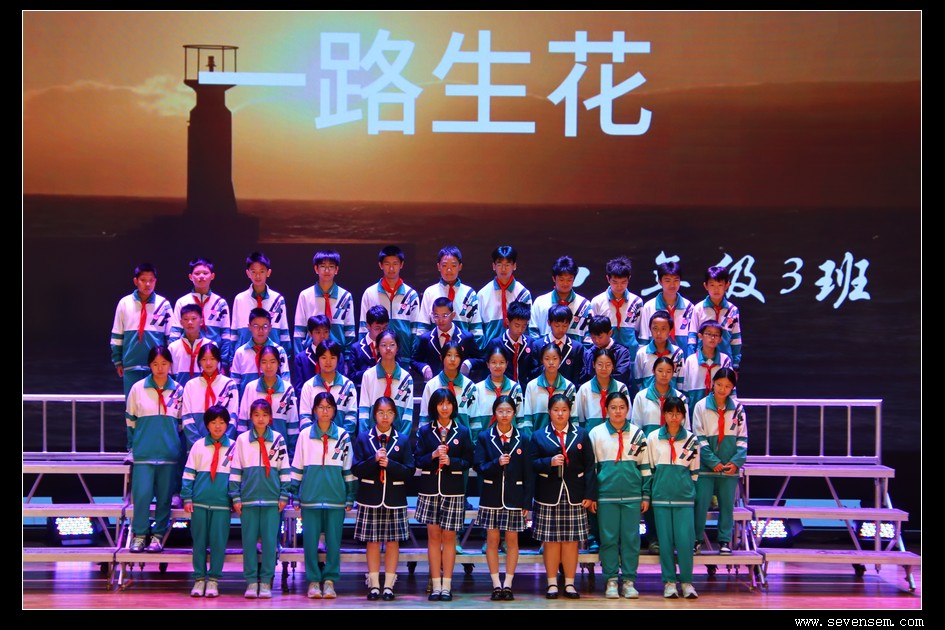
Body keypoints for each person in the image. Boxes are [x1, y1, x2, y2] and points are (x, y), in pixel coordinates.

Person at [528, 394, 595, 600]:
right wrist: (549, 462)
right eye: (556, 410)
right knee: (550, 541)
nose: (560, 414)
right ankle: (551, 584)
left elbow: (590, 466)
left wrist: (589, 494)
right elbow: (531, 464)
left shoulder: (581, 434)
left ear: (569, 412)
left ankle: (569, 583)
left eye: (564, 410)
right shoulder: (539, 435)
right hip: (548, 494)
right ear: (549, 412)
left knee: (571, 541)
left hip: (574, 494)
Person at [290, 392, 356, 600]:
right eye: (320, 407)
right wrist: (295, 495)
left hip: (336, 498)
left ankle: (329, 581)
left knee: (334, 543)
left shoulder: (343, 436)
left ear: (334, 410)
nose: (324, 411)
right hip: (310, 498)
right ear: (314, 410)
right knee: (309, 542)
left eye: (328, 407)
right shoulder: (304, 435)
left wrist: (350, 496)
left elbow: (348, 469)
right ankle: (313, 581)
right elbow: (297, 467)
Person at [414, 387, 475, 602]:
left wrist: (452, 461)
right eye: (441, 404)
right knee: (433, 537)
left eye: (448, 403)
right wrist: (432, 455)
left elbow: (469, 461)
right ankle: (435, 584)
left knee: (449, 537)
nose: (445, 407)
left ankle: (447, 585)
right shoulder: (425, 431)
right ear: (435, 407)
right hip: (430, 490)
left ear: (453, 406)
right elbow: (417, 460)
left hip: (453, 491)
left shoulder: (463, 431)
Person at [352, 397, 415, 601]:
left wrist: (390, 465)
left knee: (392, 542)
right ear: (374, 415)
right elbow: (356, 469)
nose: (385, 417)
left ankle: (388, 584)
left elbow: (409, 471)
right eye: (380, 412)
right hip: (369, 497)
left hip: (394, 498)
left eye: (389, 412)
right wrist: (374, 460)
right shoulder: (364, 438)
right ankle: (373, 584)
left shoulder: (402, 440)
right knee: (372, 541)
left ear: (395, 415)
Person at [588, 391, 651, 599]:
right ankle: (611, 580)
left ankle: (630, 581)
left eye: (622, 407)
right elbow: (591, 469)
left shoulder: (638, 434)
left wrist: (645, 494)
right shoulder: (596, 433)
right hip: (606, 496)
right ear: (606, 409)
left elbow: (645, 467)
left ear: (628, 410)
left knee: (631, 539)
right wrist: (593, 496)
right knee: (608, 539)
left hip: (632, 496)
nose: (617, 411)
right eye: (613, 407)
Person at [229, 399, 290, 599]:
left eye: (264, 415)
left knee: (270, 543)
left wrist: (284, 495)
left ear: (270, 417)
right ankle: (250, 581)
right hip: (248, 500)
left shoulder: (278, 439)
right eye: (256, 415)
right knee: (248, 543)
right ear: (251, 417)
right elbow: (236, 470)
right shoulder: (242, 440)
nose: (260, 419)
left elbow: (284, 469)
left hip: (272, 501)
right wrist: (235, 496)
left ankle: (265, 581)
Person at [473, 395, 533, 601]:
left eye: (508, 411)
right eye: (500, 411)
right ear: (494, 413)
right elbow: (479, 467)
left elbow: (529, 473)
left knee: (512, 540)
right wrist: (496, 463)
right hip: (491, 496)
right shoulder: (484, 437)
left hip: (515, 496)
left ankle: (508, 584)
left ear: (514, 413)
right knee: (492, 540)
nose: (504, 415)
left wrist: (527, 501)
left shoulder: (523, 438)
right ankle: (495, 584)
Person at [126, 345, 183, 553]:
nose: (160, 368)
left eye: (164, 364)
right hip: (144, 454)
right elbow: (131, 421)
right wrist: (136, 446)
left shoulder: (178, 390)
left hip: (168, 454)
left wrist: (170, 441)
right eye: (155, 364)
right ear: (150, 365)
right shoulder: (138, 388)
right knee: (142, 496)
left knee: (165, 499)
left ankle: (158, 536)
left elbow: (180, 423)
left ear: (170, 365)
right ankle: (140, 535)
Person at [111, 263, 172, 454]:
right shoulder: (124, 303)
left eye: (151, 280)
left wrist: (168, 365)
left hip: (157, 368)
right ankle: (133, 447)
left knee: (156, 410)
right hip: (131, 366)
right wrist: (118, 360)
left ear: (156, 281)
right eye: (143, 280)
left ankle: (155, 448)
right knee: (132, 409)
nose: (147, 284)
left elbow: (170, 337)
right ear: (135, 281)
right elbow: (117, 334)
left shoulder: (163, 304)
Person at [630, 355, 687, 555]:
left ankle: (671, 539)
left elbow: (686, 429)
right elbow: (636, 428)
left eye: (668, 371)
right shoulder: (641, 397)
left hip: (673, 455)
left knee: (671, 495)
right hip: (649, 454)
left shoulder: (680, 398)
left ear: (674, 373)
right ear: (653, 372)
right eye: (660, 371)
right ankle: (653, 538)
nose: (664, 375)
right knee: (651, 495)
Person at [646, 396, 700, 599]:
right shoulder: (653, 438)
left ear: (684, 416)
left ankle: (687, 582)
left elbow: (694, 473)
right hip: (660, 498)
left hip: (683, 499)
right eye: (670, 412)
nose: (674, 417)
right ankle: (669, 582)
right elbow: (650, 469)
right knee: (665, 543)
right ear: (664, 415)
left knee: (685, 542)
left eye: (678, 413)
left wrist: (686, 490)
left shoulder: (692, 440)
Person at [691, 367, 747, 556]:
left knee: (727, 505)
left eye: (727, 386)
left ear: (732, 388)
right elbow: (699, 437)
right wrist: (712, 461)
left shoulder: (738, 409)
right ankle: (696, 540)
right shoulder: (701, 406)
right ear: (713, 383)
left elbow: (742, 438)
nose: (722, 389)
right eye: (719, 384)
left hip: (729, 467)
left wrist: (736, 462)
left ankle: (724, 541)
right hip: (706, 467)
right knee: (700, 504)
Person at [181, 404, 235, 598]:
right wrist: (187, 497)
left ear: (227, 424)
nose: (218, 426)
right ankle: (199, 579)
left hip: (222, 504)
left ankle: (213, 580)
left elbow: (238, 476)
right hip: (200, 503)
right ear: (207, 425)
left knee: (219, 543)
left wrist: (234, 498)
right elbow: (189, 473)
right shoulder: (198, 446)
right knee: (199, 543)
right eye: (213, 422)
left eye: (221, 422)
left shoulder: (234, 447)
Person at [358, 245, 420, 368]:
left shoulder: (411, 295)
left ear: (401, 264)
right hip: (373, 358)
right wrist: (363, 356)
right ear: (380, 265)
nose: (391, 268)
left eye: (395, 263)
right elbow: (363, 329)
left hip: (404, 358)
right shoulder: (369, 293)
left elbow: (415, 330)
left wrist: (413, 359)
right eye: (387, 264)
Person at [169, 257, 232, 371]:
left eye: (205, 273)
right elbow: (175, 334)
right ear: (190, 277)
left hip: (212, 360)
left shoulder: (220, 303)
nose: (201, 276)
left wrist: (223, 362)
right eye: (197, 273)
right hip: (185, 358)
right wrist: (173, 359)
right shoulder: (182, 302)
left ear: (212, 276)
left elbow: (226, 336)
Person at [238, 345, 300, 459]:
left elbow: (293, 425)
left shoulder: (287, 390)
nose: (268, 366)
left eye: (272, 362)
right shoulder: (250, 388)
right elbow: (243, 424)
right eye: (264, 362)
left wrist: (291, 456)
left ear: (278, 363)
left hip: (280, 452)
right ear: (259, 364)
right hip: (252, 450)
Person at [181, 343, 239, 462]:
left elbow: (232, 418)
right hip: (196, 448)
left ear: (218, 360)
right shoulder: (190, 385)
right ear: (199, 361)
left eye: (212, 359)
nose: (208, 363)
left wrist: (222, 442)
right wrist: (199, 444)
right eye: (204, 359)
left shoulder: (229, 385)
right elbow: (186, 419)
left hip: (222, 447)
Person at [415, 245, 483, 348]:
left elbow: (476, 331)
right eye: (444, 265)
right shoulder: (430, 292)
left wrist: (473, 354)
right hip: (435, 350)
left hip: (462, 352)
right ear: (438, 267)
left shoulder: (469, 294)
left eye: (453, 266)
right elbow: (422, 330)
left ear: (460, 266)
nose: (449, 270)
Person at [293, 249, 356, 358]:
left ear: (336, 270)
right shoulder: (305, 295)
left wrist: (347, 358)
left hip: (337, 354)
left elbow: (349, 332)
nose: (327, 270)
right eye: (322, 266)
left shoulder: (346, 296)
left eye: (331, 266)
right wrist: (299, 358)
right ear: (316, 269)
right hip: (311, 354)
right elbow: (299, 331)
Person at [231, 251, 291, 357]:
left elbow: (284, 333)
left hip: (272, 357)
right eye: (253, 271)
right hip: (245, 356)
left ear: (268, 272)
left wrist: (285, 357)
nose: (258, 276)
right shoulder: (239, 299)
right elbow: (234, 334)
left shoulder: (278, 299)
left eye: (262, 271)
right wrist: (232, 358)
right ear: (248, 273)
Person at [358, 329, 414, 437]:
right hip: (372, 437)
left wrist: (401, 440)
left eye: (392, 345)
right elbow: (364, 412)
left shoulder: (406, 378)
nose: (388, 348)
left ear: (397, 348)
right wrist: (366, 438)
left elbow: (408, 414)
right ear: (377, 348)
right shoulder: (368, 376)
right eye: (383, 345)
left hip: (398, 438)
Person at [590, 255, 644, 364]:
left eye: (623, 282)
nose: (619, 286)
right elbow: (592, 331)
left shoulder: (637, 302)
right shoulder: (597, 301)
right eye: (615, 282)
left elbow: (640, 331)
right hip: (604, 357)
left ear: (629, 278)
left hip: (631, 355)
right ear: (608, 279)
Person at [297, 339, 358, 436]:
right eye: (324, 357)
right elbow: (305, 417)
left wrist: (341, 438)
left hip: (341, 441)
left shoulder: (348, 386)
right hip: (314, 440)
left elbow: (351, 416)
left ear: (338, 359)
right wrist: (314, 438)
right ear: (318, 359)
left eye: (332, 357)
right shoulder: (308, 386)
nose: (328, 362)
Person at [411, 296, 479, 383]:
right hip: (434, 385)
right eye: (436, 316)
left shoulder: (466, 337)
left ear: (453, 315)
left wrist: (468, 364)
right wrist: (424, 368)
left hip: (459, 384)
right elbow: (414, 361)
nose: (440, 320)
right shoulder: (426, 338)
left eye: (445, 316)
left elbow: (481, 359)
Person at [478, 246, 532, 353]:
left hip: (518, 351)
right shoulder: (482, 294)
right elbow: (479, 328)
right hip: (491, 353)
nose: (503, 269)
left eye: (507, 265)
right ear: (493, 266)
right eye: (499, 264)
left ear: (514, 266)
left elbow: (527, 327)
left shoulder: (523, 294)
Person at [688, 265, 742, 372]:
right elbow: (692, 336)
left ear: (727, 285)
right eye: (712, 285)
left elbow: (736, 338)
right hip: (701, 360)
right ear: (706, 286)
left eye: (720, 285)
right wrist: (692, 358)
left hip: (725, 360)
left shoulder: (732, 310)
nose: (716, 289)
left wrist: (735, 363)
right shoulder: (698, 308)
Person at [528, 255, 591, 346]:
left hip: (576, 354)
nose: (565, 283)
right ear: (554, 278)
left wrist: (580, 353)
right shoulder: (540, 302)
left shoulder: (584, 305)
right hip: (546, 353)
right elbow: (533, 331)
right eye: (561, 279)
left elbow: (590, 335)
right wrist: (541, 352)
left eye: (569, 280)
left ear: (574, 279)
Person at [230, 307, 290, 400]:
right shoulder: (240, 352)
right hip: (248, 401)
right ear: (249, 327)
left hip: (274, 400)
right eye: (256, 326)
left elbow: (286, 380)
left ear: (270, 327)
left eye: (265, 326)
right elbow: (235, 383)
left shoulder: (279, 351)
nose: (261, 330)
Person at [638, 260, 695, 358]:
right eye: (667, 280)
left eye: (676, 280)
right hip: (655, 359)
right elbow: (644, 338)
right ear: (660, 281)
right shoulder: (649, 306)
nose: (672, 285)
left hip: (681, 359)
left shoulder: (689, 307)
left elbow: (692, 339)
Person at [418, 340, 476, 433]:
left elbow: (475, 421)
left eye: (457, 355)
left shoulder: (469, 386)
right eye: (449, 355)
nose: (452, 359)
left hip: (463, 440)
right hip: (436, 439)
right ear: (441, 357)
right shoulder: (431, 385)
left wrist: (473, 441)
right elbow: (424, 419)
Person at [470, 347, 525, 444]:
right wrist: (476, 443)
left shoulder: (515, 388)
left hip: (511, 441)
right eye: (494, 362)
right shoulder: (477, 388)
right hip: (485, 442)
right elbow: (474, 421)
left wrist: (520, 443)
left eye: (502, 362)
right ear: (488, 364)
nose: (498, 366)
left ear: (507, 364)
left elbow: (520, 419)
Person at [522, 342, 577, 437]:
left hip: (563, 439)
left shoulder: (569, 387)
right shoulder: (532, 386)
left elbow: (574, 419)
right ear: (541, 360)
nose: (551, 362)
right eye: (547, 359)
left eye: (555, 358)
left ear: (560, 359)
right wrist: (531, 441)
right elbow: (527, 420)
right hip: (538, 440)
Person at [479, 300, 537, 390]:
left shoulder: (530, 343)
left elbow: (534, 369)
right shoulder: (496, 343)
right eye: (517, 325)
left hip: (525, 390)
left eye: (524, 326)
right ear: (507, 322)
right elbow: (486, 368)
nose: (520, 330)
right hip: (502, 389)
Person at [681, 320, 733, 416]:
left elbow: (731, 387)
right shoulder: (690, 360)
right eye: (708, 334)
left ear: (720, 339)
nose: (712, 338)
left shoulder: (725, 360)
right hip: (694, 411)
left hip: (719, 412)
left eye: (716, 335)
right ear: (700, 336)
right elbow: (685, 390)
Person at [531, 303, 584, 384]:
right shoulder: (538, 345)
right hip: (543, 387)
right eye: (557, 326)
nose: (561, 329)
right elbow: (533, 373)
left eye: (565, 326)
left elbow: (577, 375)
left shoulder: (577, 348)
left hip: (567, 389)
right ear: (549, 323)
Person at [633, 309, 685, 393]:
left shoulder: (678, 353)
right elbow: (638, 380)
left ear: (670, 331)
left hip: (671, 397)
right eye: (655, 328)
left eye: (663, 329)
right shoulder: (642, 353)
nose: (658, 333)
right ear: (650, 329)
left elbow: (680, 381)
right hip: (647, 397)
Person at [292, 314, 348, 392]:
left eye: (326, 332)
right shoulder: (301, 358)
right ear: (310, 333)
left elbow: (343, 382)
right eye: (318, 332)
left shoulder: (338, 355)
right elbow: (299, 388)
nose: (322, 336)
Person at [581, 315, 633, 390]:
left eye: (600, 337)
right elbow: (584, 377)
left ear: (610, 333)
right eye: (593, 337)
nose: (597, 341)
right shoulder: (588, 354)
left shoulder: (622, 352)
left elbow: (621, 376)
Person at [168, 303, 209, 387]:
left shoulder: (210, 346)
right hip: (178, 392)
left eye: (194, 319)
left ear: (201, 321)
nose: (190, 322)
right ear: (181, 322)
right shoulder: (173, 347)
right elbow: (168, 377)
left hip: (204, 392)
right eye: (186, 319)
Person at [348, 304, 389, 387]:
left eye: (384, 328)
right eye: (377, 328)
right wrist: (370, 372)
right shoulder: (356, 348)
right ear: (368, 326)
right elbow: (351, 376)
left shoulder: (391, 346)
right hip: (363, 389)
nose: (381, 332)